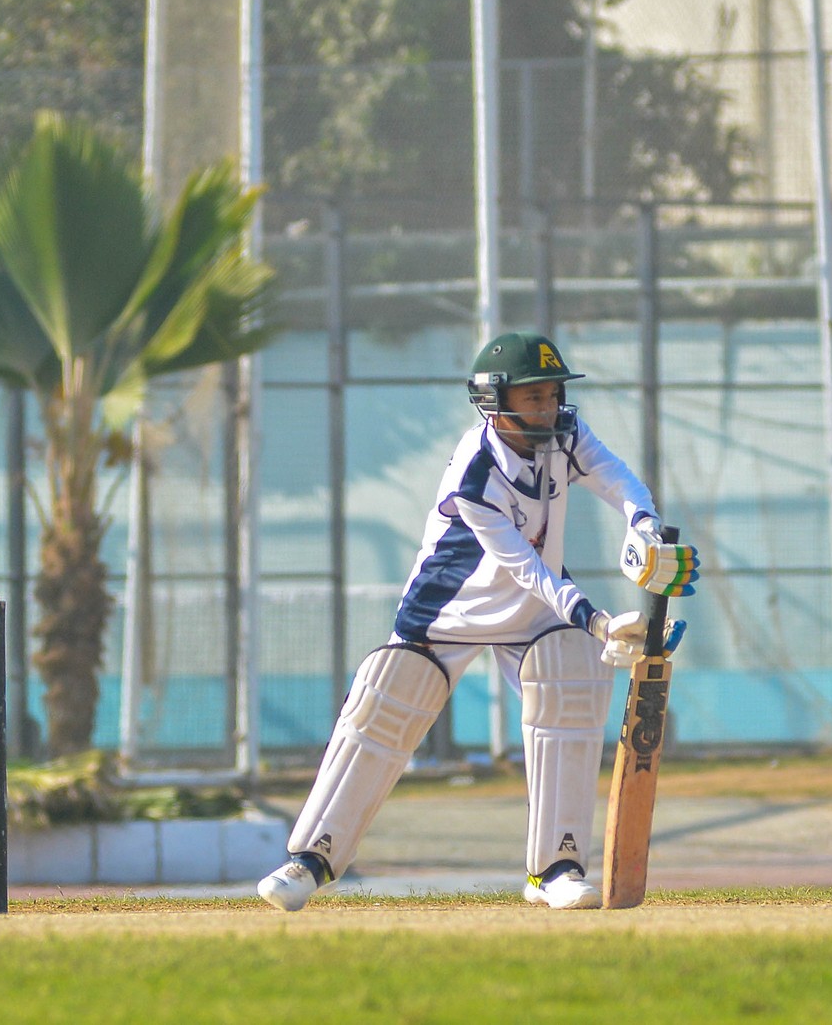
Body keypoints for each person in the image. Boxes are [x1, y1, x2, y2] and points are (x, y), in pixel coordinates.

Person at [258, 331, 698, 911]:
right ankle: (310, 861)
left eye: (553, 394)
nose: (548, 407)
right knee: (383, 710)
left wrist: (644, 526)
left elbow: (619, 480)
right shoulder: (476, 470)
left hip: (534, 611)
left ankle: (555, 869)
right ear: (495, 401)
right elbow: (523, 567)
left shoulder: (565, 435)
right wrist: (595, 621)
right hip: (451, 607)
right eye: (533, 396)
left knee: (571, 685)